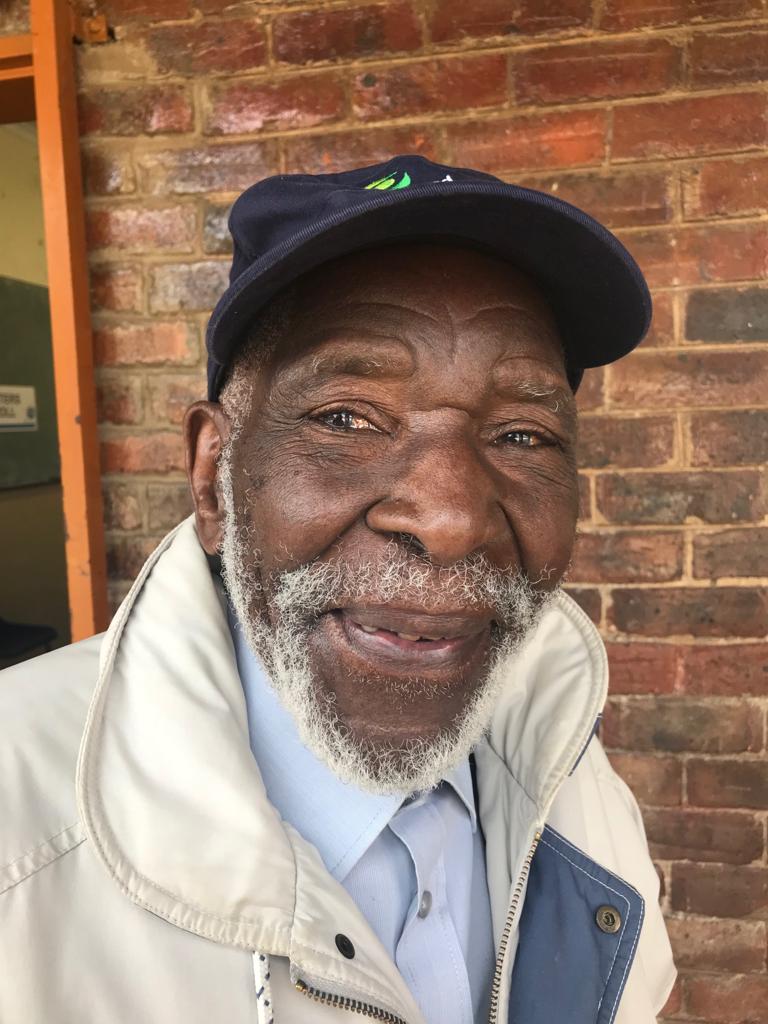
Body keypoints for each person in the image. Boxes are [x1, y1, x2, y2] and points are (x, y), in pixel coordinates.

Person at [0, 156, 675, 1023]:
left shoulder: (564, 759)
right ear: (214, 478)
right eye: (348, 418)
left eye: (521, 433)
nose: (450, 518)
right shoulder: (21, 838)